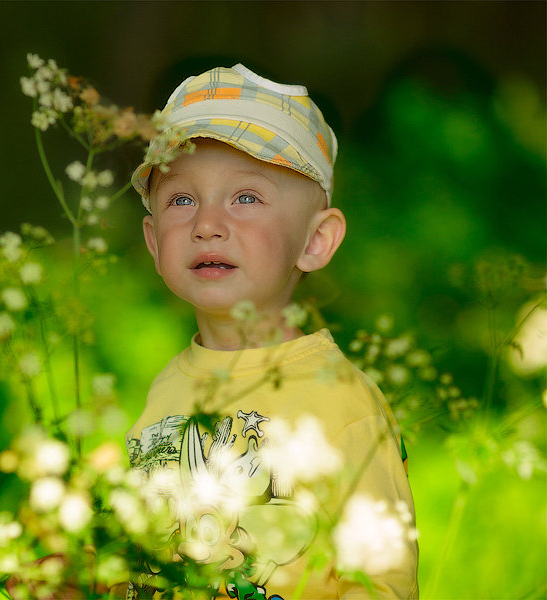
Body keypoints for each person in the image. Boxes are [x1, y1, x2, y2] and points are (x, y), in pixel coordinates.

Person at [125, 64, 418, 599]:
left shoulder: (343, 403)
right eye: (181, 200)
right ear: (153, 241)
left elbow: (383, 582)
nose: (206, 224)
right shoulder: (164, 390)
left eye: (246, 197)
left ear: (316, 241)